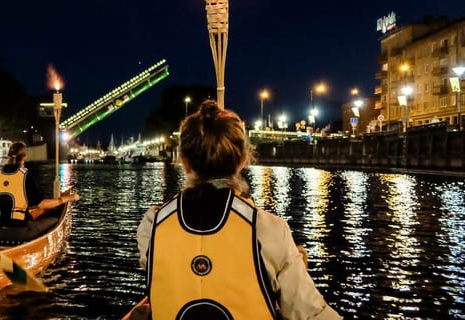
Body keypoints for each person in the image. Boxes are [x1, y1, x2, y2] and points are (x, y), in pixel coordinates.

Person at [135, 100, 341, 319]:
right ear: (243, 160)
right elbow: (312, 314)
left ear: (184, 162)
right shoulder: (269, 230)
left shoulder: (152, 226)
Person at [0, 141, 79, 242]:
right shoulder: (25, 176)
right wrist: (69, 198)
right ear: (24, 157)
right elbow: (42, 204)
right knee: (54, 220)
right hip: (19, 233)